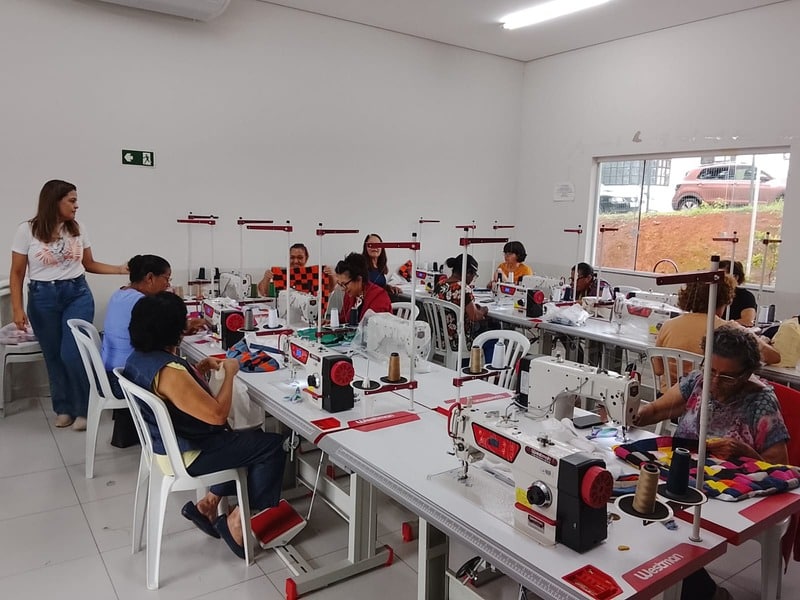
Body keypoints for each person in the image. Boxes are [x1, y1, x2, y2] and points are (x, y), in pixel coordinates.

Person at [123, 292, 286, 558]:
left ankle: (208, 505)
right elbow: (218, 415)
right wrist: (230, 373)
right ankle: (238, 522)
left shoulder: (140, 358)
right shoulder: (170, 372)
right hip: (188, 454)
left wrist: (199, 372)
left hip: (166, 447)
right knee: (271, 446)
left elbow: (180, 397)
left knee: (249, 437)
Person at [634, 324, 789, 600]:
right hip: (685, 479)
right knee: (631, 509)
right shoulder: (698, 382)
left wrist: (744, 452)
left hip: (729, 494)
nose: (715, 382)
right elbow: (656, 410)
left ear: (747, 374)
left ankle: (705, 592)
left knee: (651, 521)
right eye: (711, 370)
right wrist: (628, 409)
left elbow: (780, 469)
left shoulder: (761, 401)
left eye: (727, 377)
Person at [9, 180, 127, 430]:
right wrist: (17, 308)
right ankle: (63, 408)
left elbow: (89, 264)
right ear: (54, 201)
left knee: (73, 353)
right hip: (42, 298)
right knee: (53, 356)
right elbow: (17, 273)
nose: (76, 206)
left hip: (77, 294)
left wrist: (119, 269)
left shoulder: (78, 228)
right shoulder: (27, 230)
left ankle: (84, 408)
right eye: (71, 201)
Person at [655, 275, 779, 391]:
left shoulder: (667, 325)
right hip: (705, 401)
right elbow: (774, 357)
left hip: (667, 397)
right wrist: (759, 340)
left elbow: (658, 370)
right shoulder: (730, 330)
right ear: (724, 300)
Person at [101, 255, 174, 447]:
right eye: (166, 279)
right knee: (179, 375)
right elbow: (162, 342)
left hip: (109, 373)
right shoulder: (141, 303)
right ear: (150, 277)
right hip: (123, 380)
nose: (167, 285)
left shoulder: (120, 294)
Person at [435, 254, 489, 350]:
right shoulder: (463, 288)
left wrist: (472, 308)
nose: (473, 279)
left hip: (439, 339)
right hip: (458, 341)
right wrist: (484, 310)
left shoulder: (440, 284)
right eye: (474, 275)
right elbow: (474, 316)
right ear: (468, 272)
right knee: (490, 328)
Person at [334, 252, 392, 324]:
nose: (343, 288)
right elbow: (343, 321)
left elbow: (374, 327)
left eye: (344, 284)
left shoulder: (379, 297)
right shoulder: (350, 295)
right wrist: (331, 324)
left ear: (359, 279)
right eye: (340, 284)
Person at [719, 259, 757, 326]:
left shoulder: (746, 296)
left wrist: (720, 325)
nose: (717, 279)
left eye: (722, 276)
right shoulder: (710, 295)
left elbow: (748, 321)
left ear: (735, 277)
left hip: (733, 332)